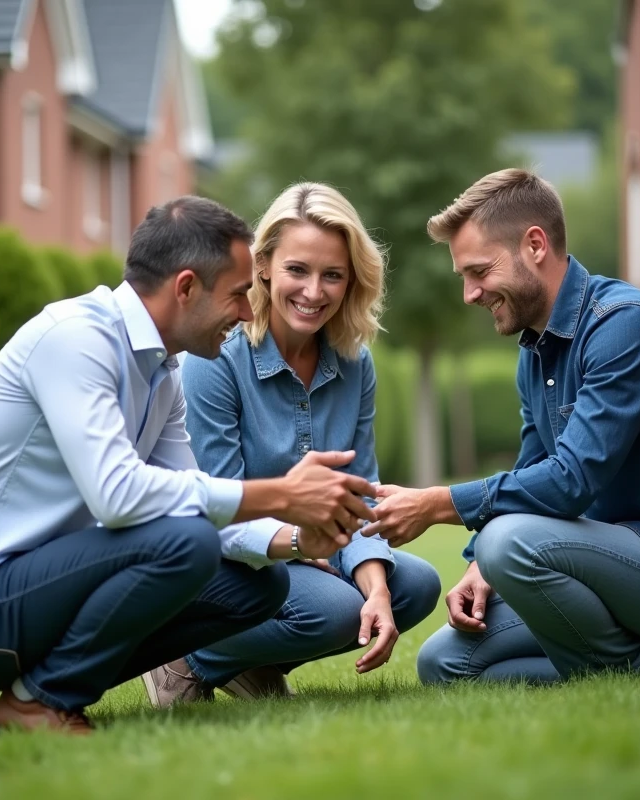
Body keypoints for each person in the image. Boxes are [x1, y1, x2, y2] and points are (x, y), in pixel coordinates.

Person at [0, 197, 378, 734]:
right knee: (187, 541)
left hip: (39, 594)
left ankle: (44, 693)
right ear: (185, 288)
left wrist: (295, 542)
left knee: (260, 588)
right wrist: (280, 495)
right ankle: (37, 703)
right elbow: (118, 496)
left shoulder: (162, 372)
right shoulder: (76, 340)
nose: (250, 312)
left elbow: (191, 490)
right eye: (237, 295)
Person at [359, 168, 640, 684]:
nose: (470, 293)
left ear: (535, 245)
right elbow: (534, 468)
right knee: (446, 662)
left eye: (479, 271)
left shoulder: (625, 324)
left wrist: (438, 504)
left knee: (506, 542)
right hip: (619, 568)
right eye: (463, 278)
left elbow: (571, 480)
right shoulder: (534, 354)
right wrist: (477, 568)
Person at [141, 183, 441, 705]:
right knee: (333, 610)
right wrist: (298, 545)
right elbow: (218, 505)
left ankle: (248, 662)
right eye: (297, 270)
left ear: (352, 282)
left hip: (314, 547)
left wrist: (375, 590)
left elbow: (359, 497)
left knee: (411, 586)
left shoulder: (354, 363)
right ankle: (182, 660)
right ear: (263, 267)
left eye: (333, 275)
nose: (313, 291)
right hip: (219, 559)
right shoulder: (216, 358)